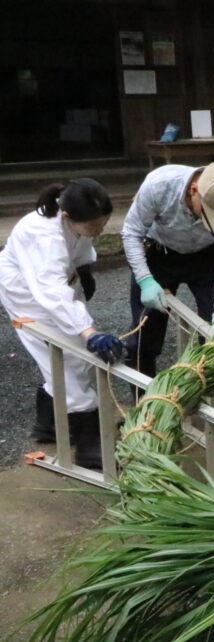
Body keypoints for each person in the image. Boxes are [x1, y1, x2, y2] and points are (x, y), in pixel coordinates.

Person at [0, 179, 125, 469]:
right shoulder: (42, 235)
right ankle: (89, 448)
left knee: (72, 355)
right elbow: (51, 292)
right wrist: (89, 332)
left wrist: (85, 270)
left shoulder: (73, 216)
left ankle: (48, 425)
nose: (98, 231)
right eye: (94, 228)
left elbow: (79, 245)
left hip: (56, 283)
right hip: (27, 295)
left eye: (102, 225)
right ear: (68, 217)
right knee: (69, 358)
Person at [121, 162, 214, 377]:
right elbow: (131, 232)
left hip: (206, 257)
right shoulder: (160, 185)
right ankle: (142, 399)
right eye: (208, 213)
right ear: (194, 191)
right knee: (145, 334)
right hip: (159, 253)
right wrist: (145, 279)